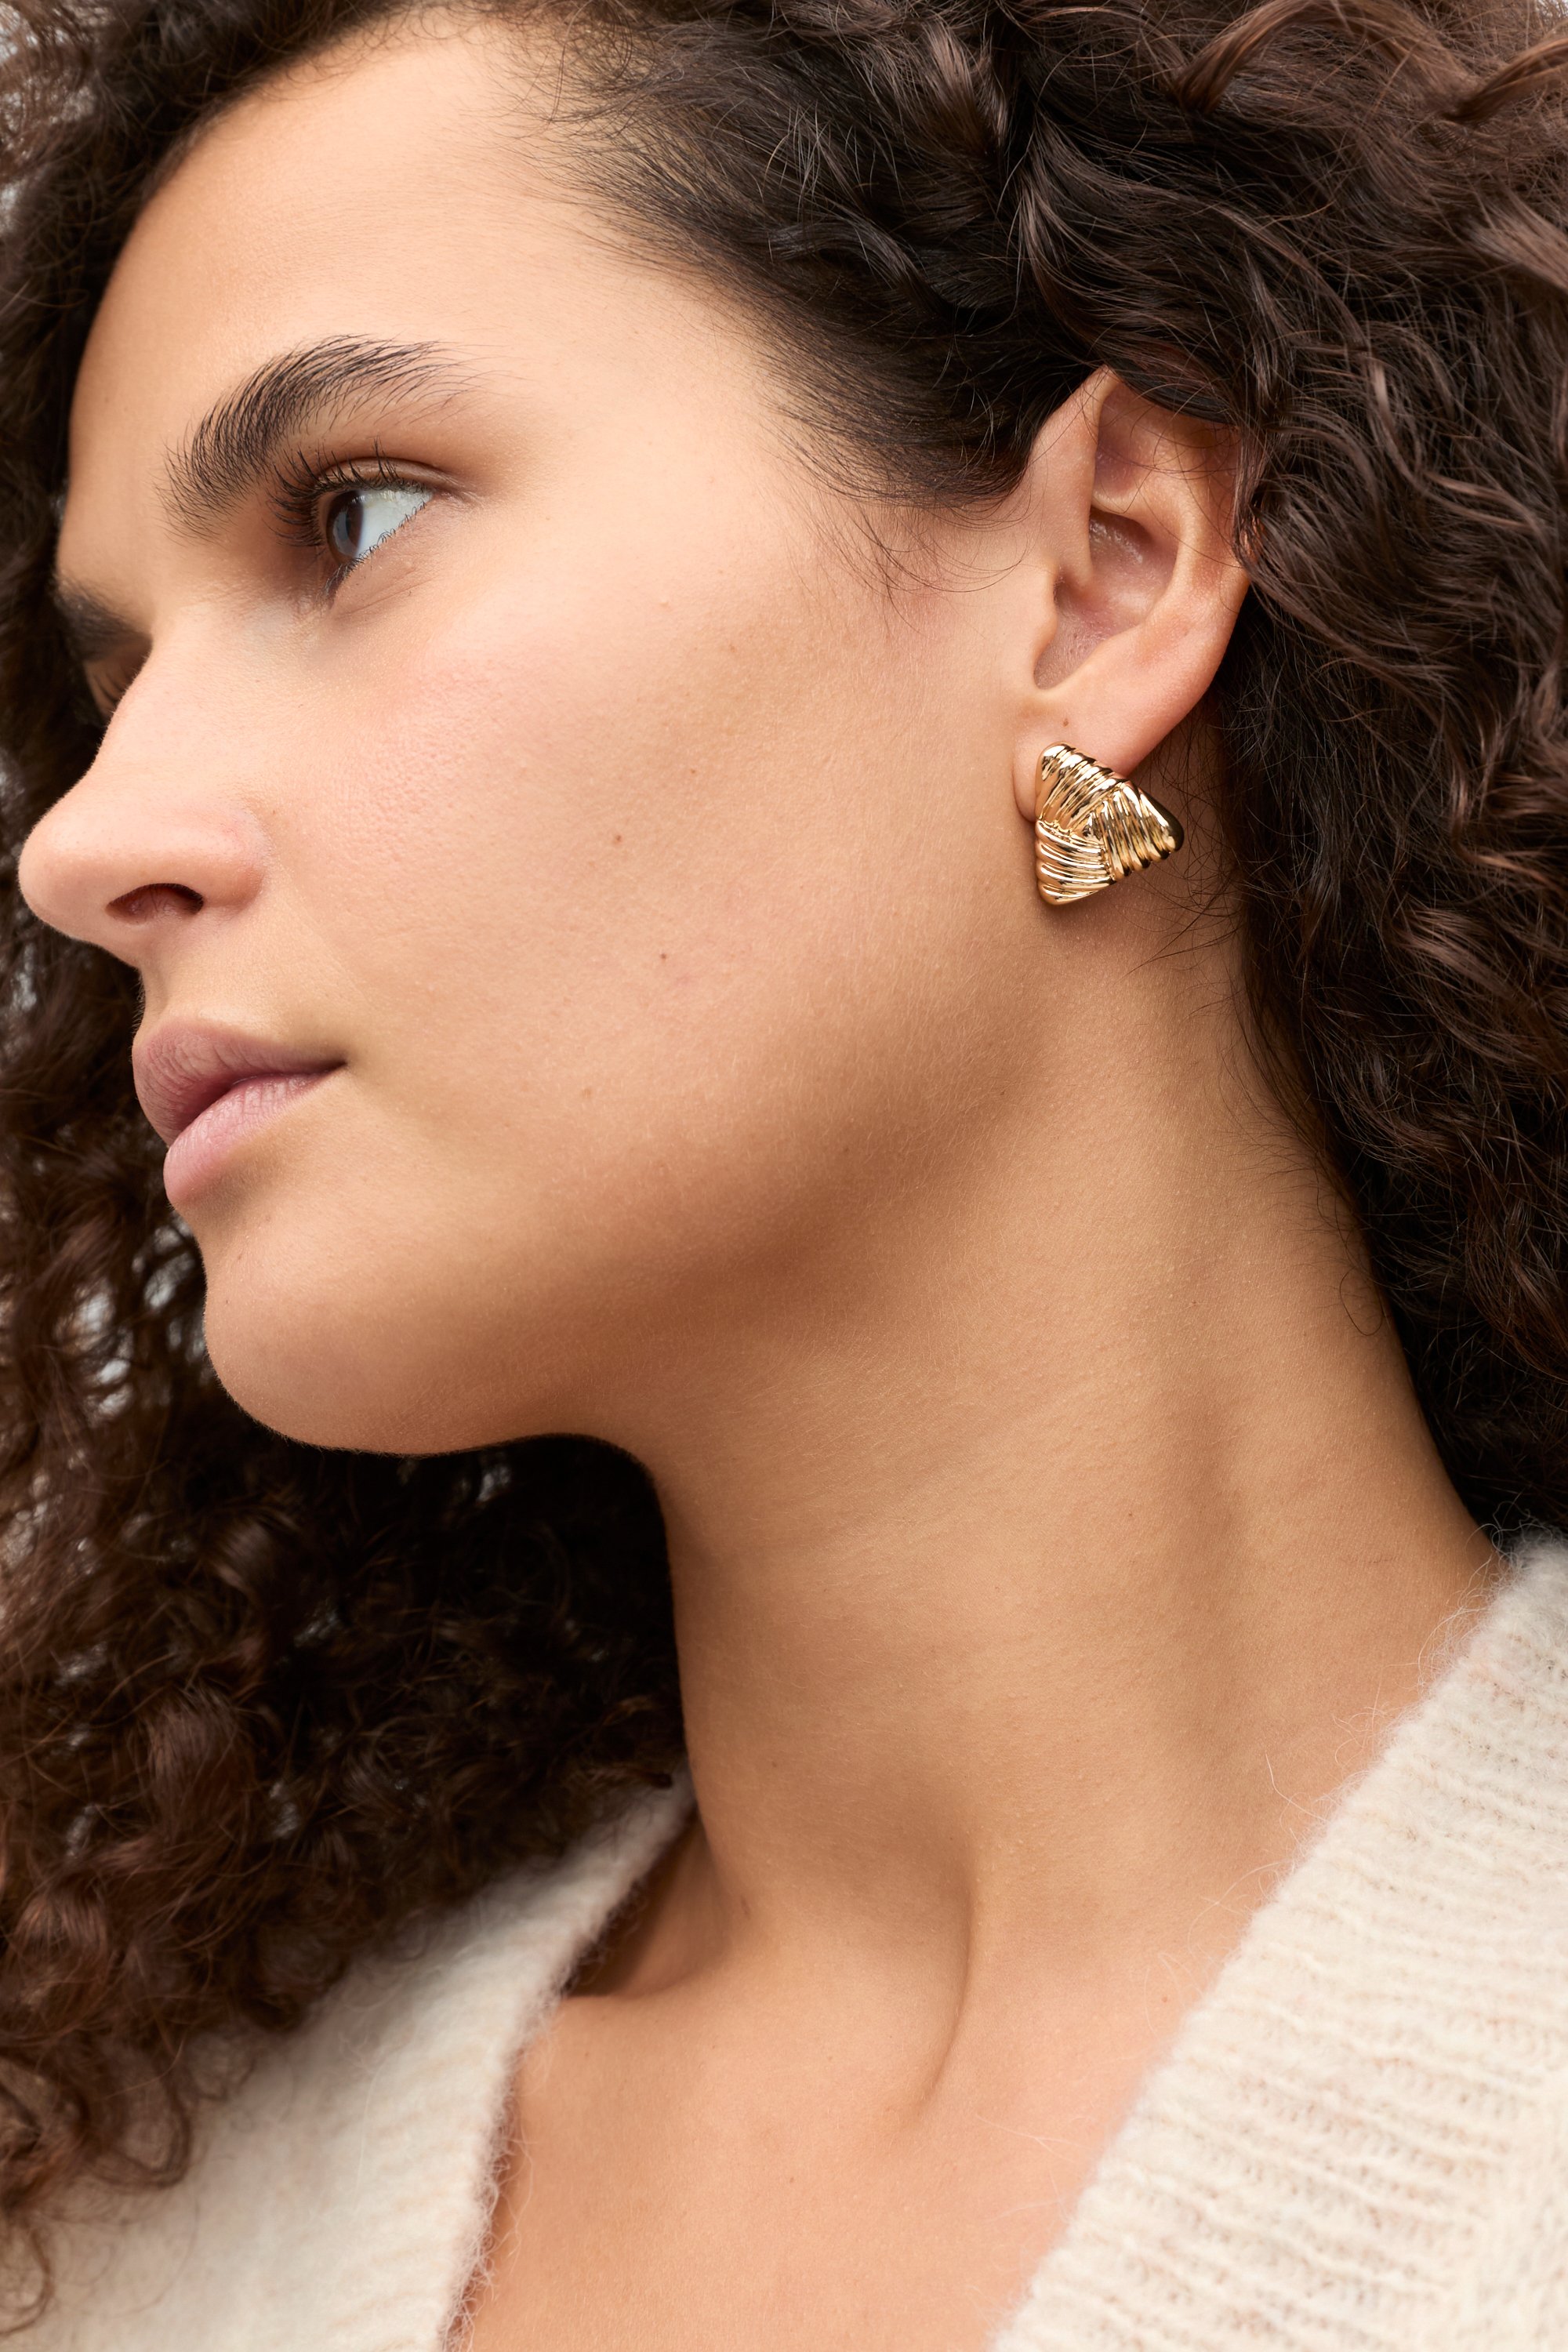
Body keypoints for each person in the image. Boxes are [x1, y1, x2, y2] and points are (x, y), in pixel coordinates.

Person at [0, 0, 1565, 2341]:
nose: (86, 843)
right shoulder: (114, 2223)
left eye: (355, 519)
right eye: (116, 684)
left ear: (1104, 575)